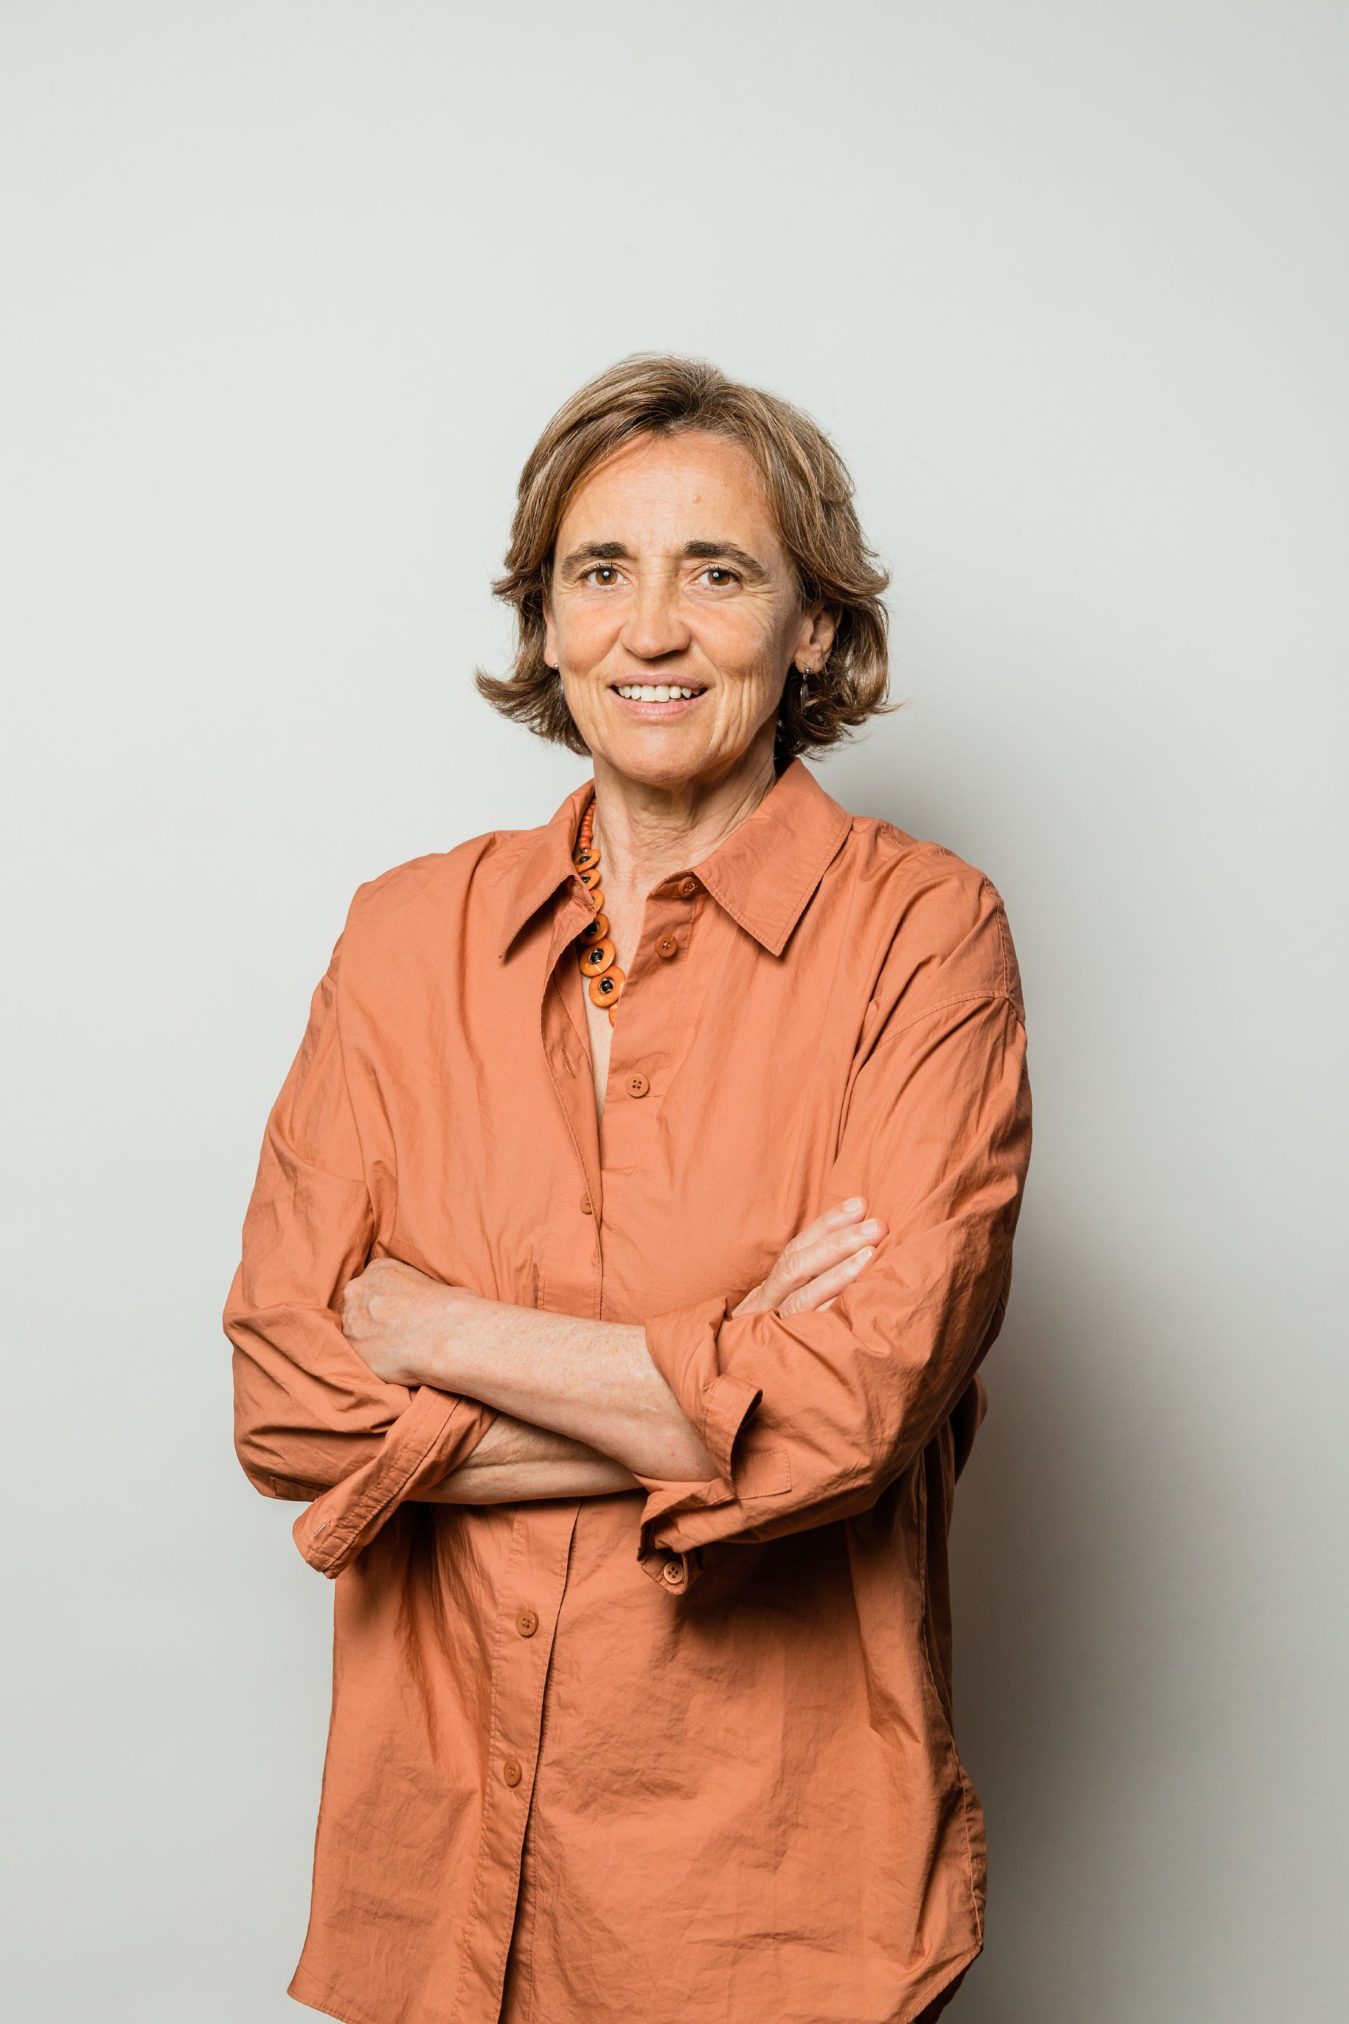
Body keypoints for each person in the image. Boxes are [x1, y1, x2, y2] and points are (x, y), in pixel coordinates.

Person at [223, 351, 1033, 2024]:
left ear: (813, 628)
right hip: (440, 1882)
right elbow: (287, 1407)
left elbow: (854, 1413)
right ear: (545, 622)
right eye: (601, 572)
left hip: (772, 1906)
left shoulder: (922, 936)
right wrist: (726, 1366)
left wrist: (436, 1332)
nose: (649, 631)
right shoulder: (403, 937)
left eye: (715, 573)